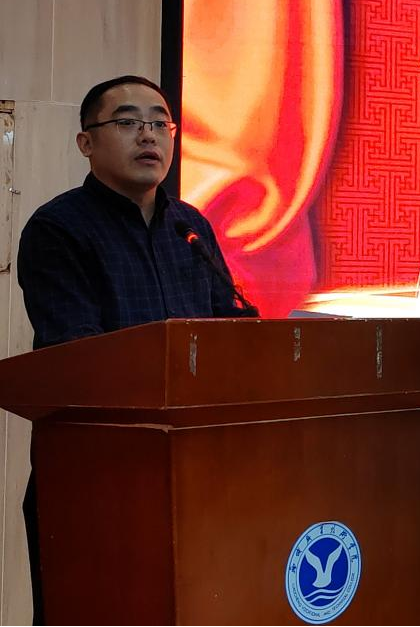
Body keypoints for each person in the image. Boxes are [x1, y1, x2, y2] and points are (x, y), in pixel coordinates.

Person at [14, 74, 256, 625]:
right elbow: (78, 354)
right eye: (127, 122)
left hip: (197, 472)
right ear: (86, 142)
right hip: (95, 478)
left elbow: (228, 328)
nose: (148, 135)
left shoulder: (189, 226)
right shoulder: (58, 228)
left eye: (159, 123)